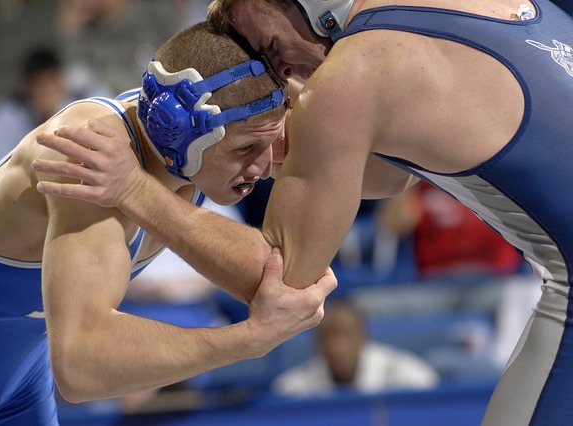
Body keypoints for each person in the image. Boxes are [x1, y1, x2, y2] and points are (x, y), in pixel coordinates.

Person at [31, 0, 573, 424]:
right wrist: (283, 145)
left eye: (271, 48)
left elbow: (281, 281)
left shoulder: (351, 76)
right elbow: (396, 172)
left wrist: (134, 189)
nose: (281, 71)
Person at [0, 22, 337, 425]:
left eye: (272, 140)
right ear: (177, 131)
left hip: (17, 384)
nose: (265, 167)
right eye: (248, 148)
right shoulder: (86, 149)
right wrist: (247, 341)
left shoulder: (211, 138)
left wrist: (137, 191)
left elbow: (288, 281)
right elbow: (79, 366)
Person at [272, 300, 439, 397]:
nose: (337, 347)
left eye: (346, 335)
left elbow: (428, 386)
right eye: (328, 338)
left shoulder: (401, 372)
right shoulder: (296, 387)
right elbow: (279, 394)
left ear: (363, 337)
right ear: (316, 343)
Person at [376, 181, 524, 280]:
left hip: (493, 276)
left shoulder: (494, 177)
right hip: (437, 278)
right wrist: (408, 181)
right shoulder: (424, 179)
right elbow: (392, 224)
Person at [0, 46, 70, 178]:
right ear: (29, 88)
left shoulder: (80, 99)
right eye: (43, 88)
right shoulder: (10, 110)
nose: (51, 94)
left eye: (54, 83)